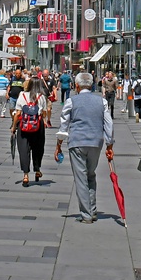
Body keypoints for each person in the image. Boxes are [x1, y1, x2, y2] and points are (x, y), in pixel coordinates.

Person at [54, 72, 114, 223]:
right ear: (92, 85)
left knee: (81, 178)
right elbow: (109, 124)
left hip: (77, 142)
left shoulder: (71, 101)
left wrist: (58, 145)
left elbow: (63, 125)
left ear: (77, 86)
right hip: (96, 143)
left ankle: (86, 214)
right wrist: (109, 144)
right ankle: (92, 209)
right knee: (91, 174)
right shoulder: (102, 101)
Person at [13, 76, 48, 187]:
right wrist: (45, 121)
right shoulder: (42, 97)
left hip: (24, 125)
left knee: (24, 150)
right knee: (38, 148)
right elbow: (44, 113)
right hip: (38, 125)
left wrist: (14, 126)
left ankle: (26, 175)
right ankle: (37, 170)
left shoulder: (22, 95)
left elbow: (18, 113)